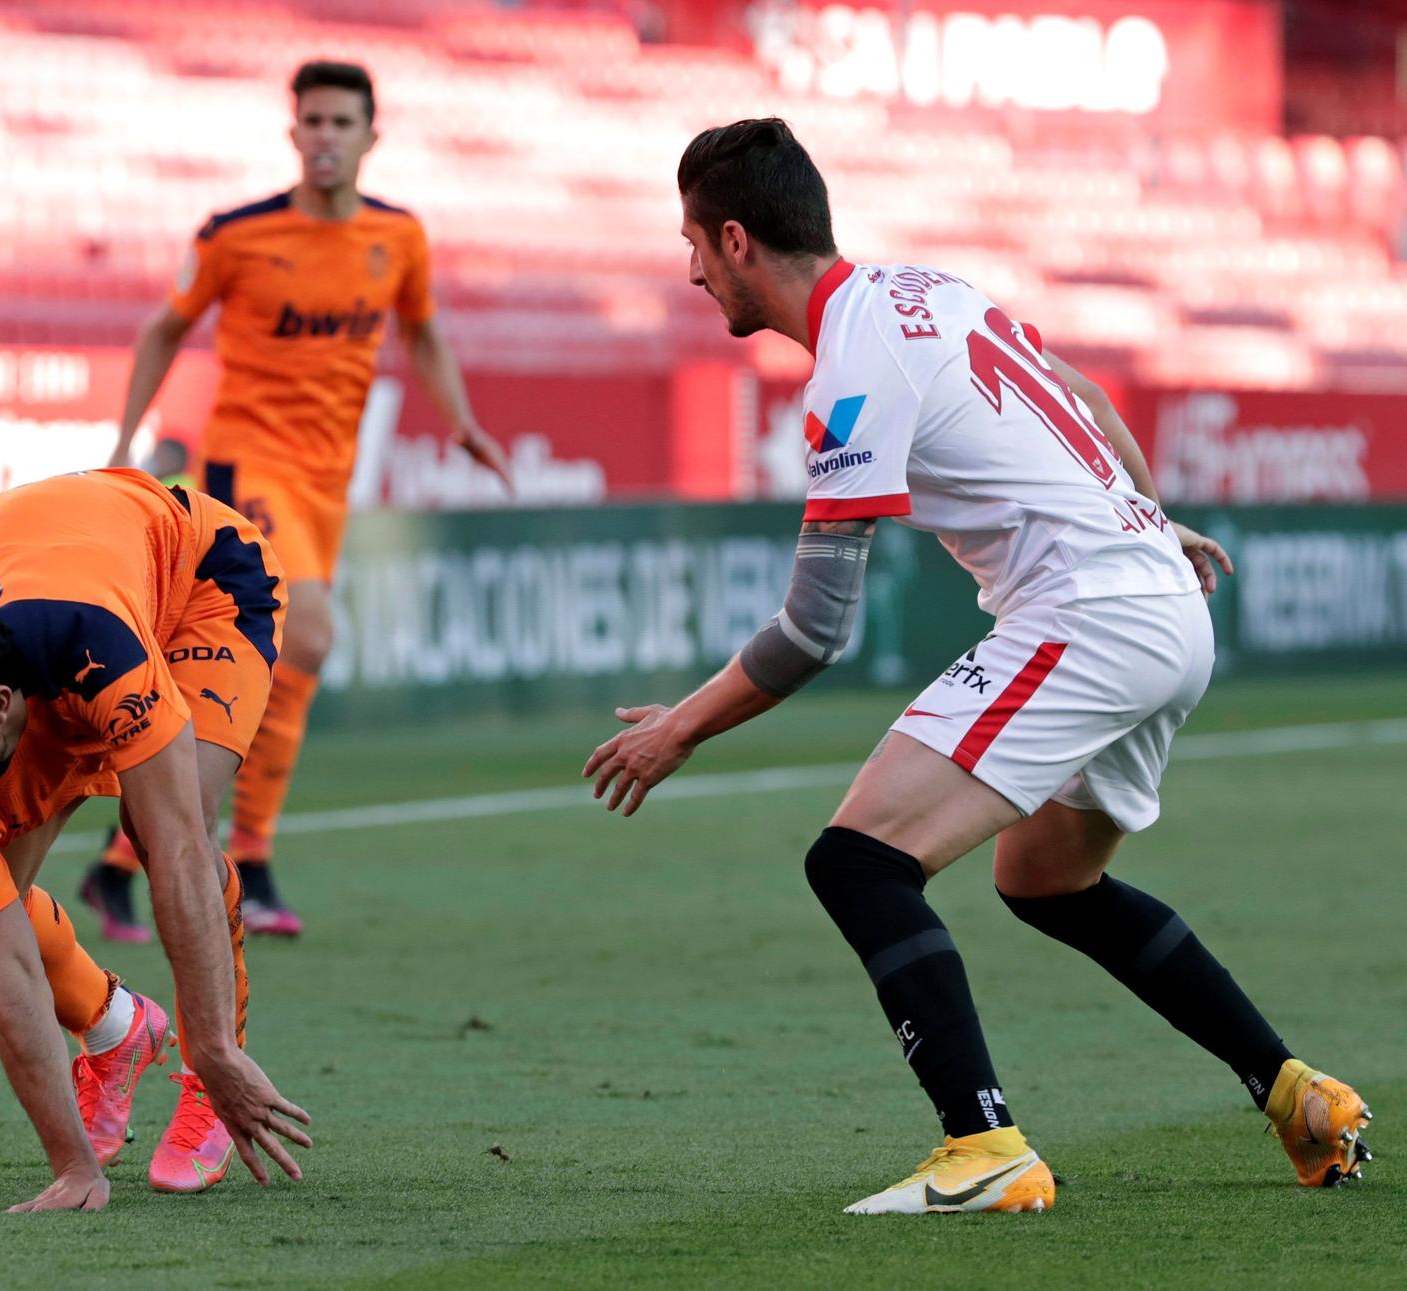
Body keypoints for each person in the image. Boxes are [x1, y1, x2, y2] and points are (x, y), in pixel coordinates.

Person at [583, 118, 1373, 1214]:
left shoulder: (849, 368)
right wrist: (1145, 519)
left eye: (689, 243)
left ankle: (981, 1143)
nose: (685, 268)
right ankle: (1294, 1092)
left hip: (1087, 619)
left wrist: (681, 726)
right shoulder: (929, 290)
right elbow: (1078, 396)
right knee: (1045, 879)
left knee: (855, 862)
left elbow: (813, 628)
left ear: (733, 239)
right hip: (1157, 607)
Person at [87, 59, 514, 941]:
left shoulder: (397, 238)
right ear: (293, 134)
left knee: (251, 664)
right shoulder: (236, 235)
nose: (325, 136)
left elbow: (423, 330)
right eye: (311, 121)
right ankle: (245, 856)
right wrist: (126, 442)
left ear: (370, 136)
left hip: (327, 482)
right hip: (247, 467)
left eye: (340, 122)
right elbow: (164, 326)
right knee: (305, 633)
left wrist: (463, 421)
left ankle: (125, 863)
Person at [0, 469, 312, 1209]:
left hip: (200, 589)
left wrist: (212, 1048)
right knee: (1, 909)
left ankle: (211, 1080)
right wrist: (74, 1166)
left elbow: (180, 851)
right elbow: (5, 973)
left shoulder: (97, 645)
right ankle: (116, 1027)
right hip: (50, 612)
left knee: (160, 830)